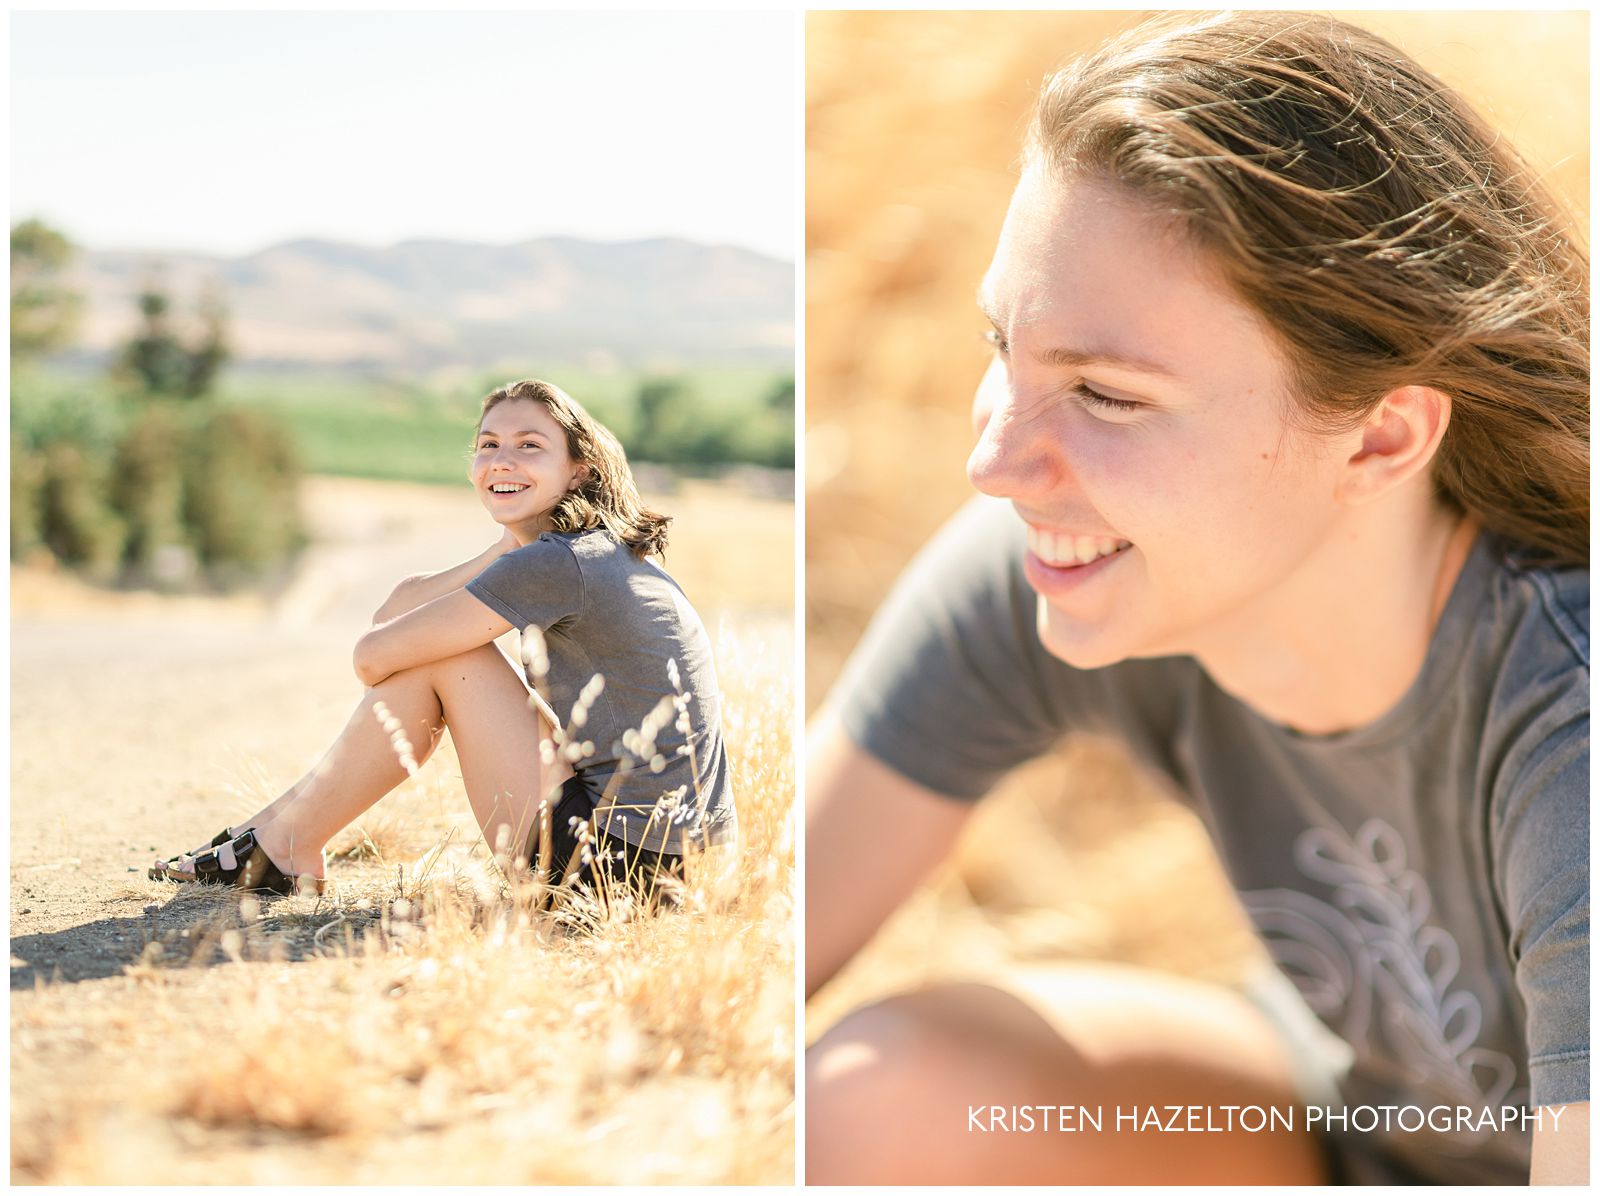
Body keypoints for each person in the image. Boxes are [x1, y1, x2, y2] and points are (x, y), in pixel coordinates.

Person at [806, 12, 1587, 1186]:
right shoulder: (1083, 561)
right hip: (1355, 1126)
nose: (995, 462)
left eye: (1106, 394)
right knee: (882, 1096)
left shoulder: (1569, 717)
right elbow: (760, 936)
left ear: (1380, 433)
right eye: (1000, 348)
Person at [152, 378, 737, 905]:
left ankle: (278, 845)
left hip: (610, 869)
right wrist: (504, 548)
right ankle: (276, 838)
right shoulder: (590, 550)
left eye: (530, 445)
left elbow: (374, 653)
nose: (502, 460)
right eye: (488, 445)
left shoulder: (557, 565)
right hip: (679, 868)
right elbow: (396, 612)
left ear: (579, 470)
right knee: (438, 649)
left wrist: (512, 556)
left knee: (448, 655)